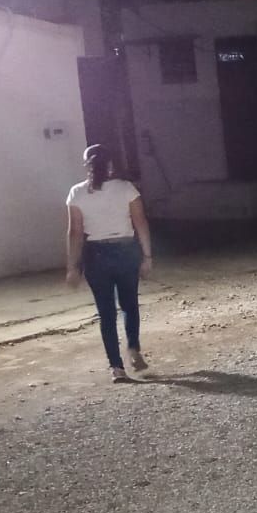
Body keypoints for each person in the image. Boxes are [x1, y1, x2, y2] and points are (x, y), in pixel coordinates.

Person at [65, 145, 153, 382]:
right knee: (129, 304)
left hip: (96, 255)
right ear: (111, 164)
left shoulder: (77, 193)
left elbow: (75, 233)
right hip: (125, 251)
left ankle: (116, 368)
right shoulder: (126, 188)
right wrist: (147, 257)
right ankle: (133, 348)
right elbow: (140, 223)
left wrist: (73, 267)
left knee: (106, 313)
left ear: (87, 165)